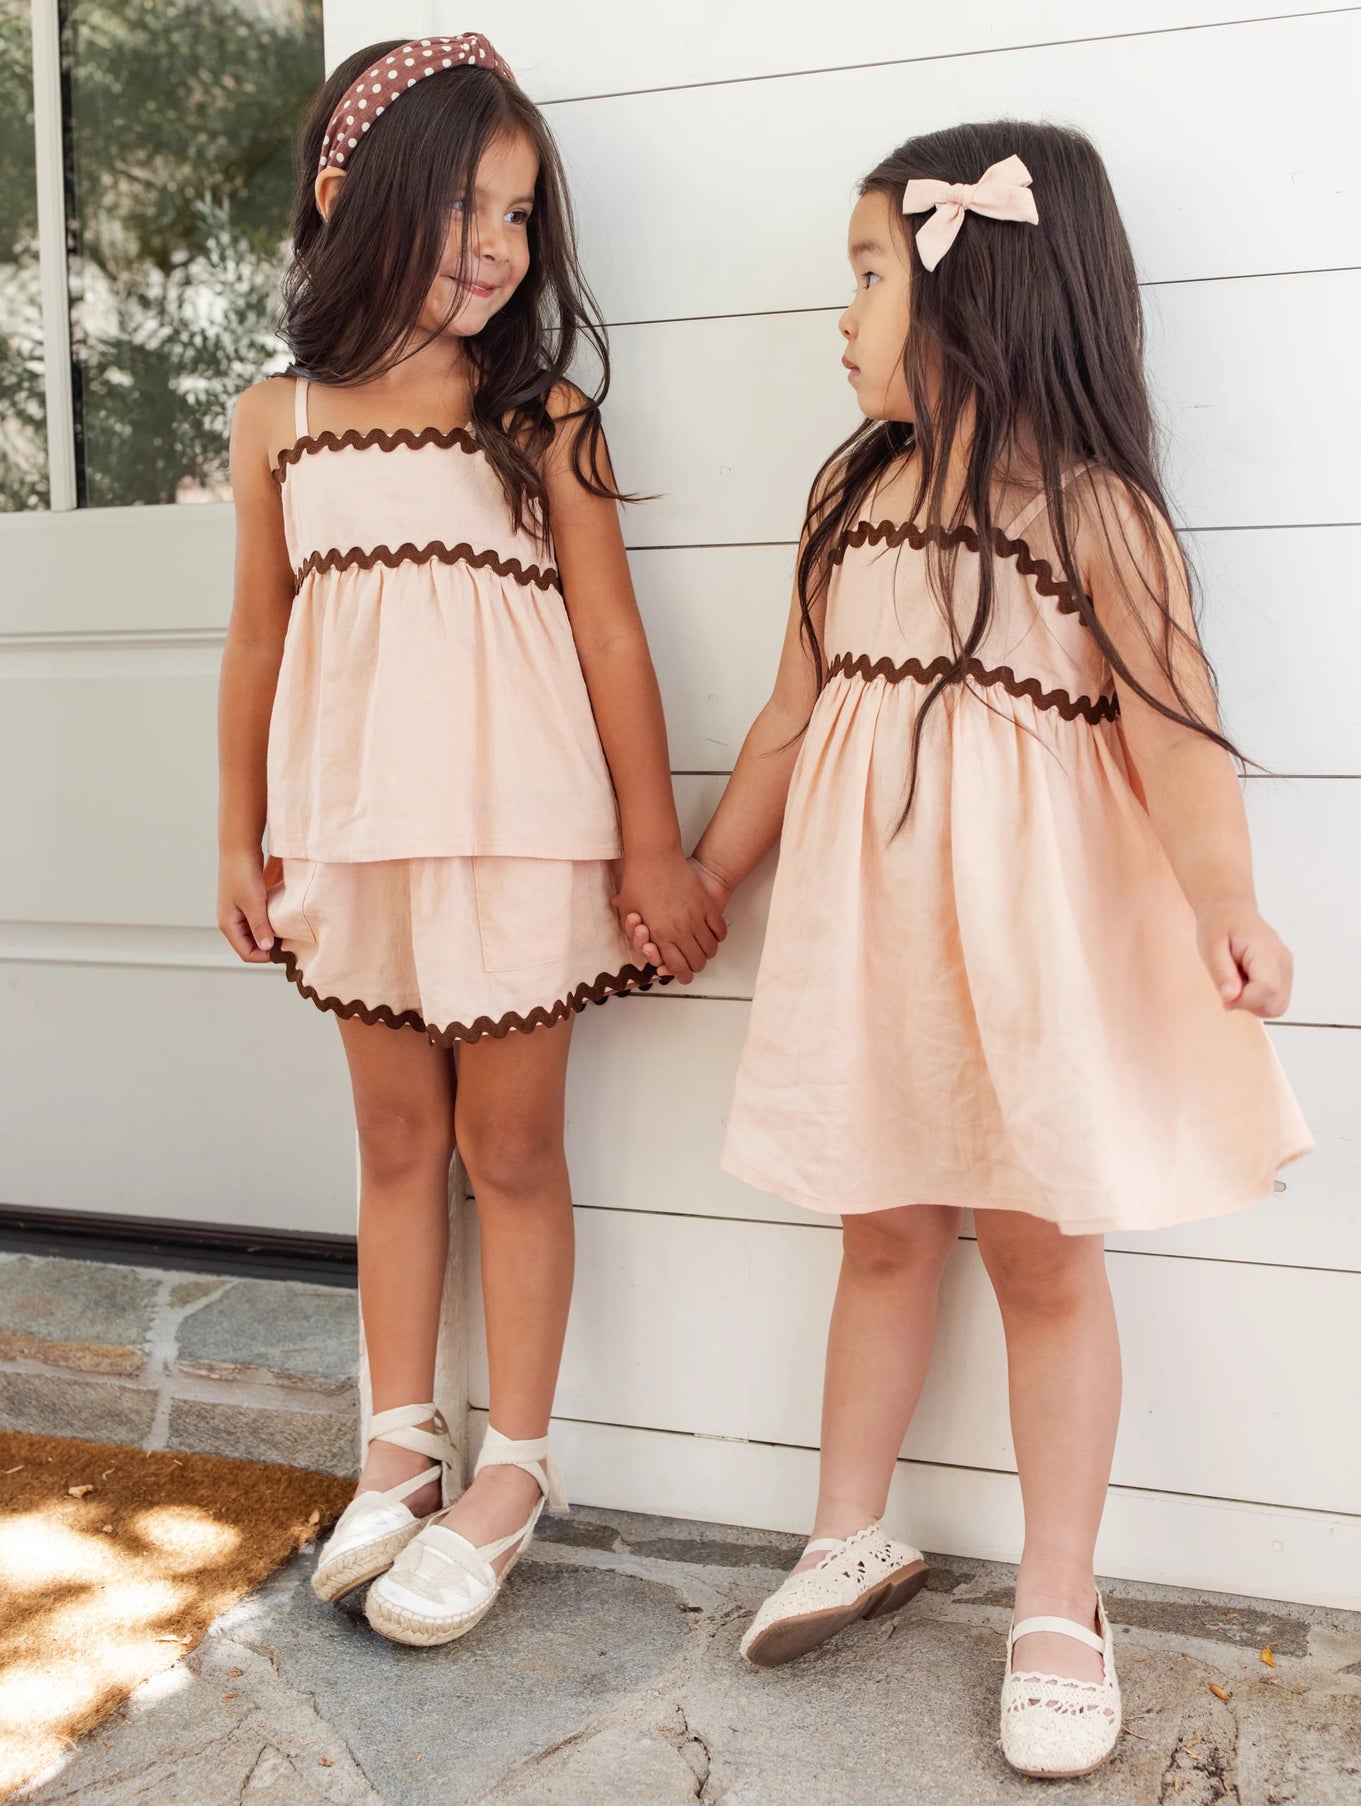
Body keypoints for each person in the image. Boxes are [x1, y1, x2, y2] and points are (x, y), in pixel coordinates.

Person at [625, 122, 1310, 1777]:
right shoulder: (849, 498)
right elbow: (787, 719)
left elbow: (1178, 740)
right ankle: (846, 1528)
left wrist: (1224, 898)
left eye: (867, 275)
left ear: (974, 298)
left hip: (1025, 960)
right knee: (878, 1230)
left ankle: (1061, 1598)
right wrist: (702, 874)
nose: (840, 315)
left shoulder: (1094, 517)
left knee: (1043, 1255)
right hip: (873, 952)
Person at [217, 30, 723, 1650]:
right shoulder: (279, 418)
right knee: (390, 1143)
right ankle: (396, 1448)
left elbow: (613, 641)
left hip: (517, 834)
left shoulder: (542, 415)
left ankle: (513, 1466)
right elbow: (256, 638)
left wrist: (653, 850)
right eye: (464, 209)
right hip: (355, 833)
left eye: (517, 215)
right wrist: (237, 834)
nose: (497, 247)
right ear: (350, 198)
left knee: (508, 1151)